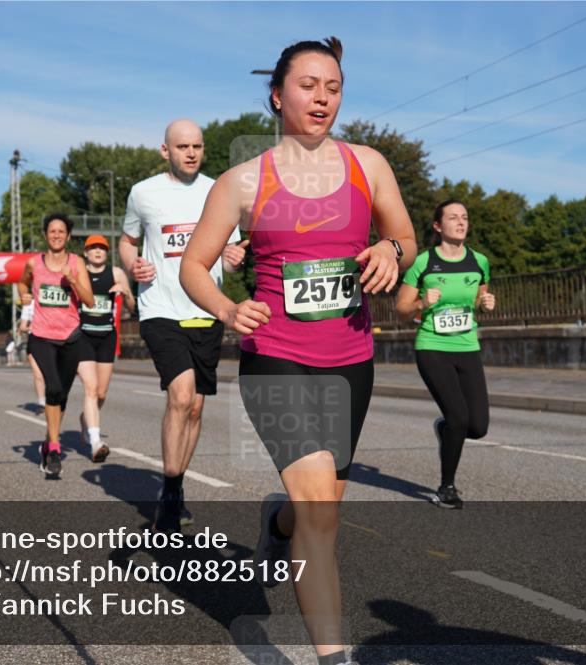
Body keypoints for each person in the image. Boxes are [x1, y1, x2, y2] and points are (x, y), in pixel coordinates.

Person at [179, 37, 416, 665]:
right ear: (278, 95)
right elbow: (194, 267)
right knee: (321, 516)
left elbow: (405, 236)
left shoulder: (370, 164)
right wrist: (229, 309)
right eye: (309, 85)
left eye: (333, 87)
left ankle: (275, 524)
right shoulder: (243, 180)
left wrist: (392, 252)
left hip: (350, 356)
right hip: (275, 354)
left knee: (318, 509)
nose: (322, 98)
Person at [119, 118, 246, 532]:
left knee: (195, 406)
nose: (191, 153)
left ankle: (176, 483)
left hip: (206, 310)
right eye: (183, 147)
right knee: (181, 394)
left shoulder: (219, 190)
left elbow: (229, 242)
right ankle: (171, 491)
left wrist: (232, 255)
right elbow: (127, 239)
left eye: (198, 146)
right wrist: (131, 264)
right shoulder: (143, 193)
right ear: (165, 151)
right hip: (160, 308)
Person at [396, 200, 495, 510]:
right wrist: (422, 303)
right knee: (458, 416)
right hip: (432, 348)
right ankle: (446, 488)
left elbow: (481, 295)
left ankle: (444, 429)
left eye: (465, 217)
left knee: (477, 426)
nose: (461, 222)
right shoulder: (422, 263)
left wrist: (486, 303)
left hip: (467, 347)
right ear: (438, 226)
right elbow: (401, 310)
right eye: (453, 217)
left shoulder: (479, 261)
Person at [17, 213, 95, 477]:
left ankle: (48, 441)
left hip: (71, 337)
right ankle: (53, 448)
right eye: (52, 231)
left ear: (68, 236)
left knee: (60, 396)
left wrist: (72, 280)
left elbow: (90, 301)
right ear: (45, 235)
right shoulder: (33, 263)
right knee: (52, 387)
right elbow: (21, 282)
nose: (57, 235)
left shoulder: (77, 263)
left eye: (61, 231)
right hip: (41, 336)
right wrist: (23, 295)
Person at [77, 234, 135, 463]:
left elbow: (132, 306)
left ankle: (86, 419)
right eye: (93, 248)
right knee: (90, 389)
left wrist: (125, 291)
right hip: (83, 336)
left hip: (106, 337)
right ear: (86, 252)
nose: (98, 251)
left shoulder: (117, 273)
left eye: (102, 248)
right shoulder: (80, 271)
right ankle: (95, 442)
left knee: (101, 393)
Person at [19, 293, 46, 414]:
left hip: (52, 338)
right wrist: (31, 327)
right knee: (38, 373)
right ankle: (41, 403)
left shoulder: (52, 300)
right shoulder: (28, 305)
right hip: (34, 339)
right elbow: (22, 327)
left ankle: (53, 399)